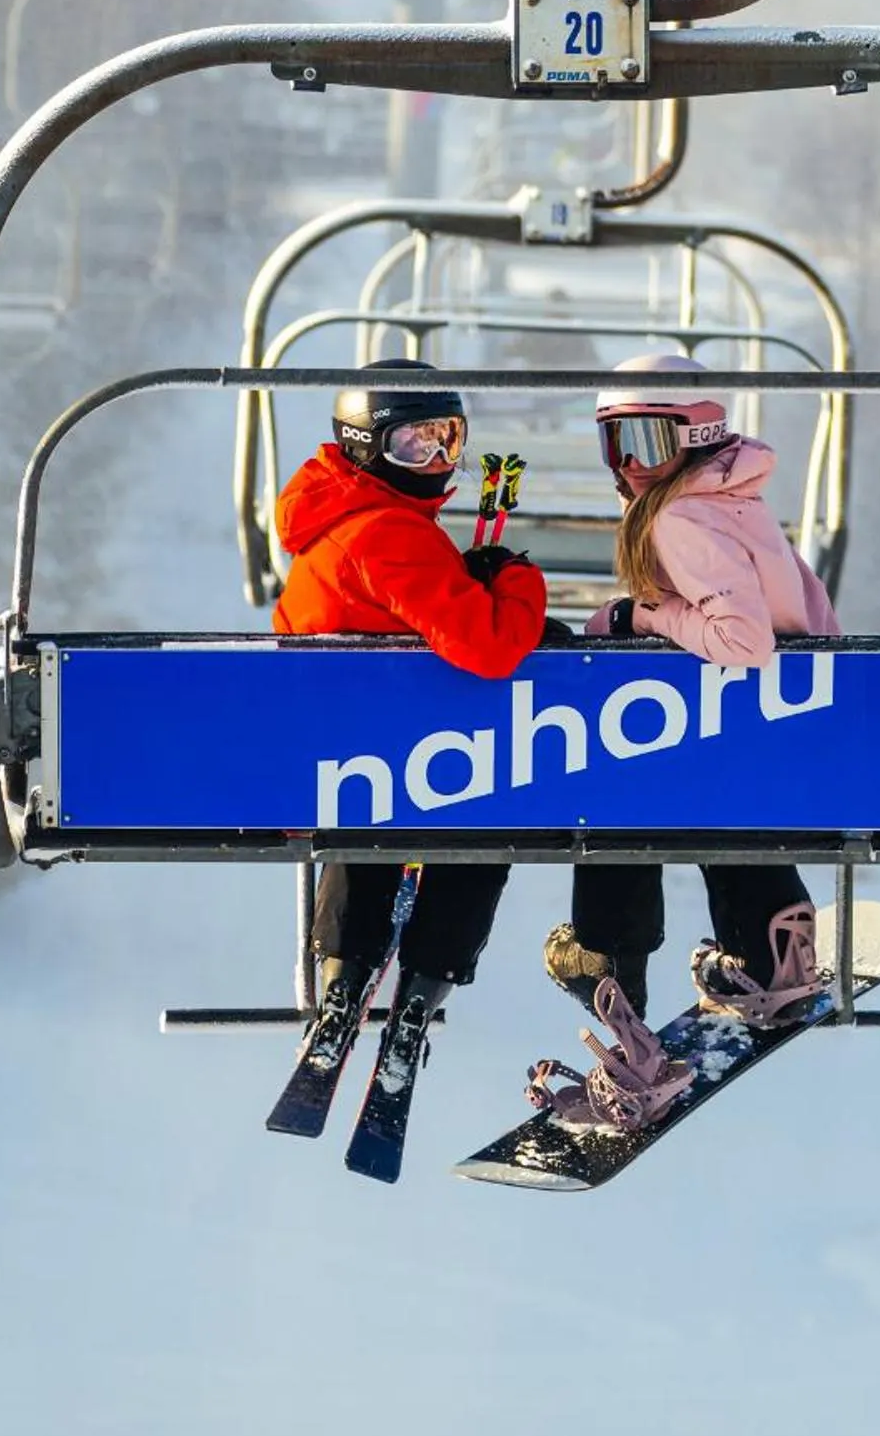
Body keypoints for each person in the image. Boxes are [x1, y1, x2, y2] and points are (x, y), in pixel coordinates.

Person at [531, 354, 840, 1125]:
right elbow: (812, 620)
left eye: (648, 442)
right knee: (717, 808)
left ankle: (629, 1037)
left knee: (612, 803)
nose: (631, 465)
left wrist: (640, 618)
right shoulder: (740, 502)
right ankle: (774, 956)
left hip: (729, 723)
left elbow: (740, 640)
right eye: (616, 444)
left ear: (695, 435)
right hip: (775, 732)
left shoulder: (677, 515)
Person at [273, 363, 547, 1093]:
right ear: (364, 446)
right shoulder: (390, 531)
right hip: (405, 764)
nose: (437, 462)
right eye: (414, 445)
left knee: (372, 828)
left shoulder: (334, 526)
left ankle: (344, 990)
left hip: (342, 760)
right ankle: (416, 1002)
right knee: (487, 823)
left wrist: (462, 579)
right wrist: (515, 579)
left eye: (447, 442)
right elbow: (489, 647)